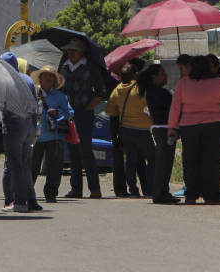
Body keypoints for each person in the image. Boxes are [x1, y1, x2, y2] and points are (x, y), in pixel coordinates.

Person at [168, 55, 220, 205]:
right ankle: (210, 195)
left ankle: (191, 194)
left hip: (188, 127)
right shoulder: (218, 83)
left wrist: (172, 127)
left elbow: (175, 107)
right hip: (213, 126)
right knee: (211, 161)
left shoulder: (183, 83)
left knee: (190, 160)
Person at [58, 38, 106, 199]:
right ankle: (76, 188)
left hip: (84, 113)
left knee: (85, 150)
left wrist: (88, 108)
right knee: (72, 151)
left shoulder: (91, 68)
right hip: (68, 113)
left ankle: (95, 189)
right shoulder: (64, 67)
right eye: (69, 50)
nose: (71, 53)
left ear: (82, 52)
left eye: (74, 50)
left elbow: (101, 93)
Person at [105, 62, 155, 197]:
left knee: (131, 161)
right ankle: (150, 188)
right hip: (142, 130)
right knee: (153, 158)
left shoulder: (116, 91)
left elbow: (111, 112)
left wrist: (114, 135)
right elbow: (150, 107)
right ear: (135, 74)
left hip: (125, 131)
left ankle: (133, 189)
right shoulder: (140, 89)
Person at [0, 53, 39, 213]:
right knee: (23, 164)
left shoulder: (7, 80)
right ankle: (29, 200)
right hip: (29, 125)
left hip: (14, 125)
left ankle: (19, 202)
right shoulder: (28, 79)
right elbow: (35, 105)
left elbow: (5, 105)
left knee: (14, 164)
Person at [138, 62, 179, 204]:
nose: (166, 77)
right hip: (165, 129)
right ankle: (161, 193)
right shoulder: (159, 93)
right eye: (162, 74)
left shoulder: (151, 91)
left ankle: (161, 192)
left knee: (164, 162)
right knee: (165, 163)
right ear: (153, 77)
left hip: (159, 128)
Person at [32, 66, 73, 203]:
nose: (48, 78)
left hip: (55, 136)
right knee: (32, 166)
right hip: (36, 136)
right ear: (40, 78)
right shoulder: (33, 94)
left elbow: (70, 113)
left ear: (55, 80)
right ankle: (27, 192)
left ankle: (51, 194)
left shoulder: (60, 96)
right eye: (45, 76)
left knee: (54, 167)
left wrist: (58, 113)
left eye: (51, 76)